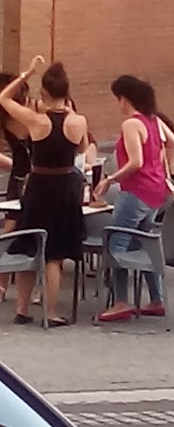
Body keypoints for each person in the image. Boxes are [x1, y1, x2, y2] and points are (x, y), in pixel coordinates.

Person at [0, 57, 90, 327]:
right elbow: (83, 149)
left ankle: (22, 308)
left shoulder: (37, 121)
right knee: (55, 253)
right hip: (65, 187)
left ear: (44, 93)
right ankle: (51, 312)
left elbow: (4, 98)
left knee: (30, 243)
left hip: (38, 186)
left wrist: (25, 73)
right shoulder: (78, 121)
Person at [95, 76, 174, 322]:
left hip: (136, 191)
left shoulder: (131, 124)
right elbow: (173, 142)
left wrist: (109, 179)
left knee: (116, 244)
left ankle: (120, 301)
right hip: (155, 193)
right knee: (145, 243)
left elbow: (135, 162)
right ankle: (156, 298)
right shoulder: (154, 119)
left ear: (124, 98)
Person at [0, 72, 31, 302]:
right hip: (25, 178)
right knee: (11, 231)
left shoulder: (32, 112)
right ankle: (1, 284)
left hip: (29, 178)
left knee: (14, 231)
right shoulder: (9, 116)